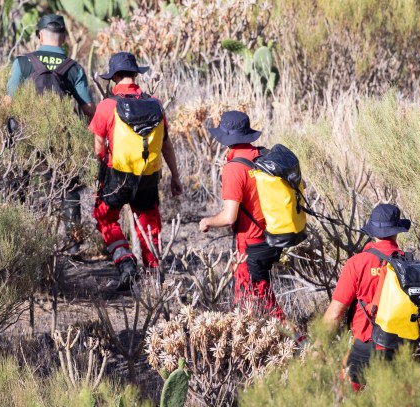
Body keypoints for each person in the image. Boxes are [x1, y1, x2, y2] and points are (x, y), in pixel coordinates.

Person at [89, 52, 183, 291]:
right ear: (135, 76)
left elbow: (98, 147)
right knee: (150, 225)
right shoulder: (156, 104)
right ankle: (154, 277)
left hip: (117, 176)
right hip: (149, 177)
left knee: (104, 217)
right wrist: (175, 176)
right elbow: (166, 144)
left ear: (114, 77)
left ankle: (125, 261)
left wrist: (104, 168)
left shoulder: (107, 106)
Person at [5, 14, 95, 252]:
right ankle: (73, 245)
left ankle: (21, 240)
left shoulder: (23, 63)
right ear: (64, 37)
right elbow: (88, 109)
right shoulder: (73, 68)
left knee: (21, 186)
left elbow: (7, 103)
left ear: (40, 35)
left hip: (28, 137)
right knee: (70, 187)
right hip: (63, 138)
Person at [198, 111, 285, 319]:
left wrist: (208, 221)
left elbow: (229, 217)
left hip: (249, 243)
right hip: (272, 235)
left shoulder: (234, 168)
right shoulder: (265, 156)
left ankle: (299, 343)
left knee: (259, 299)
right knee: (253, 297)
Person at [322, 203, 412, 390]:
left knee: (347, 401)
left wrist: (317, 346)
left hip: (363, 346)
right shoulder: (408, 264)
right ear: (396, 231)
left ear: (373, 231)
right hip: (398, 348)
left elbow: (334, 315)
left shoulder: (357, 263)